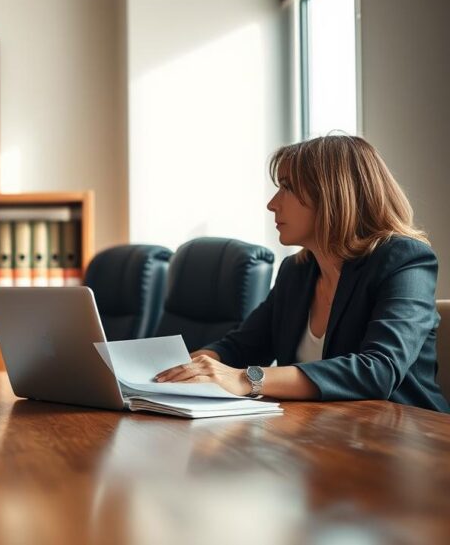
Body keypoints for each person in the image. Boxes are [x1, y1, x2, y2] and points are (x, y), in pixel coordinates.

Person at [155, 135, 448, 412]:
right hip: (322, 435)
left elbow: (378, 370)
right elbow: (241, 346)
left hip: (407, 439)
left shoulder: (405, 260)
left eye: (287, 187)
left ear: (332, 194)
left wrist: (247, 379)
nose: (272, 204)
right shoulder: (296, 272)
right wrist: (178, 371)